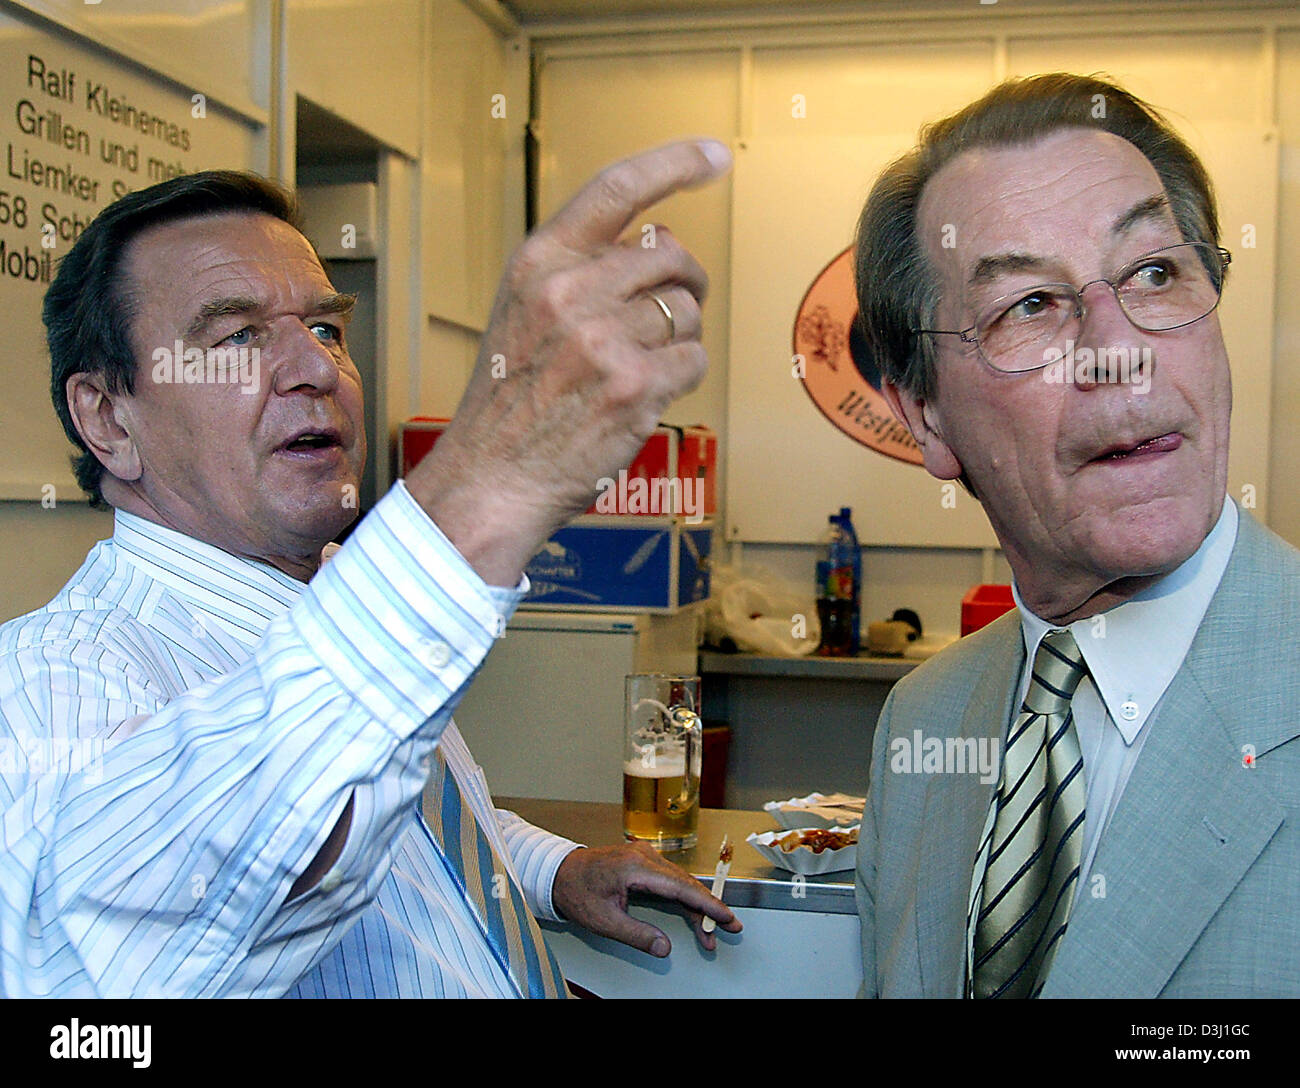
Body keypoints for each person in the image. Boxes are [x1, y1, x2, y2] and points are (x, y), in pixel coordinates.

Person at [0, 140, 742, 997]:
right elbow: (122, 928)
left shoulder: (329, 612)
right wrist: (484, 484)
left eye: (326, 328)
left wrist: (550, 872)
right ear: (108, 419)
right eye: (239, 337)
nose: (319, 370)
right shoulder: (58, 671)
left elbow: (415, 819)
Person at [852, 73, 1299, 998]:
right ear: (927, 418)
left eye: (1153, 272)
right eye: (1029, 306)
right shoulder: (925, 721)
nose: (1117, 349)